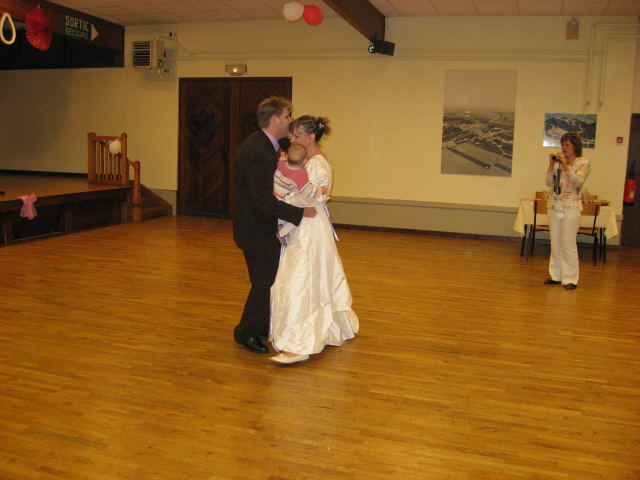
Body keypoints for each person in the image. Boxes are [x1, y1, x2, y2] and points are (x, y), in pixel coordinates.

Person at [270, 115, 359, 364]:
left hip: (309, 225)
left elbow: (309, 197)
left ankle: (301, 342)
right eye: (291, 135)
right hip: (304, 222)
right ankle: (320, 328)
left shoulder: (317, 164)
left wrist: (281, 194)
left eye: (297, 135)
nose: (291, 139)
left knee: (302, 279)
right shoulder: (304, 160)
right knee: (305, 276)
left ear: (310, 137)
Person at [233, 97, 316, 354]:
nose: (291, 120)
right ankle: (246, 333)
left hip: (258, 227)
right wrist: (300, 213)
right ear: (276, 119)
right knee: (264, 282)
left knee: (266, 280)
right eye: (288, 115)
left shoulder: (263, 143)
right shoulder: (259, 152)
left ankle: (259, 327)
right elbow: (262, 200)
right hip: (256, 229)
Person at [543, 132, 591, 290]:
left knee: (568, 243)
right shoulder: (557, 163)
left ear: (575, 146)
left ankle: (570, 279)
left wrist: (566, 166)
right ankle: (556, 275)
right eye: (562, 144)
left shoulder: (583, 163)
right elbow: (549, 183)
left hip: (571, 207)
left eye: (567, 145)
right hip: (555, 206)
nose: (563, 148)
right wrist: (551, 165)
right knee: (555, 242)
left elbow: (578, 182)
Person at [274, 143, 324, 245]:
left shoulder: (281, 163)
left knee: (280, 216)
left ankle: (280, 225)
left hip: (273, 195)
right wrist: (320, 190)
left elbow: (281, 159)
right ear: (305, 161)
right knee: (298, 215)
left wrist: (283, 156)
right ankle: (282, 233)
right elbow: (308, 191)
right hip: (283, 199)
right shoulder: (300, 173)